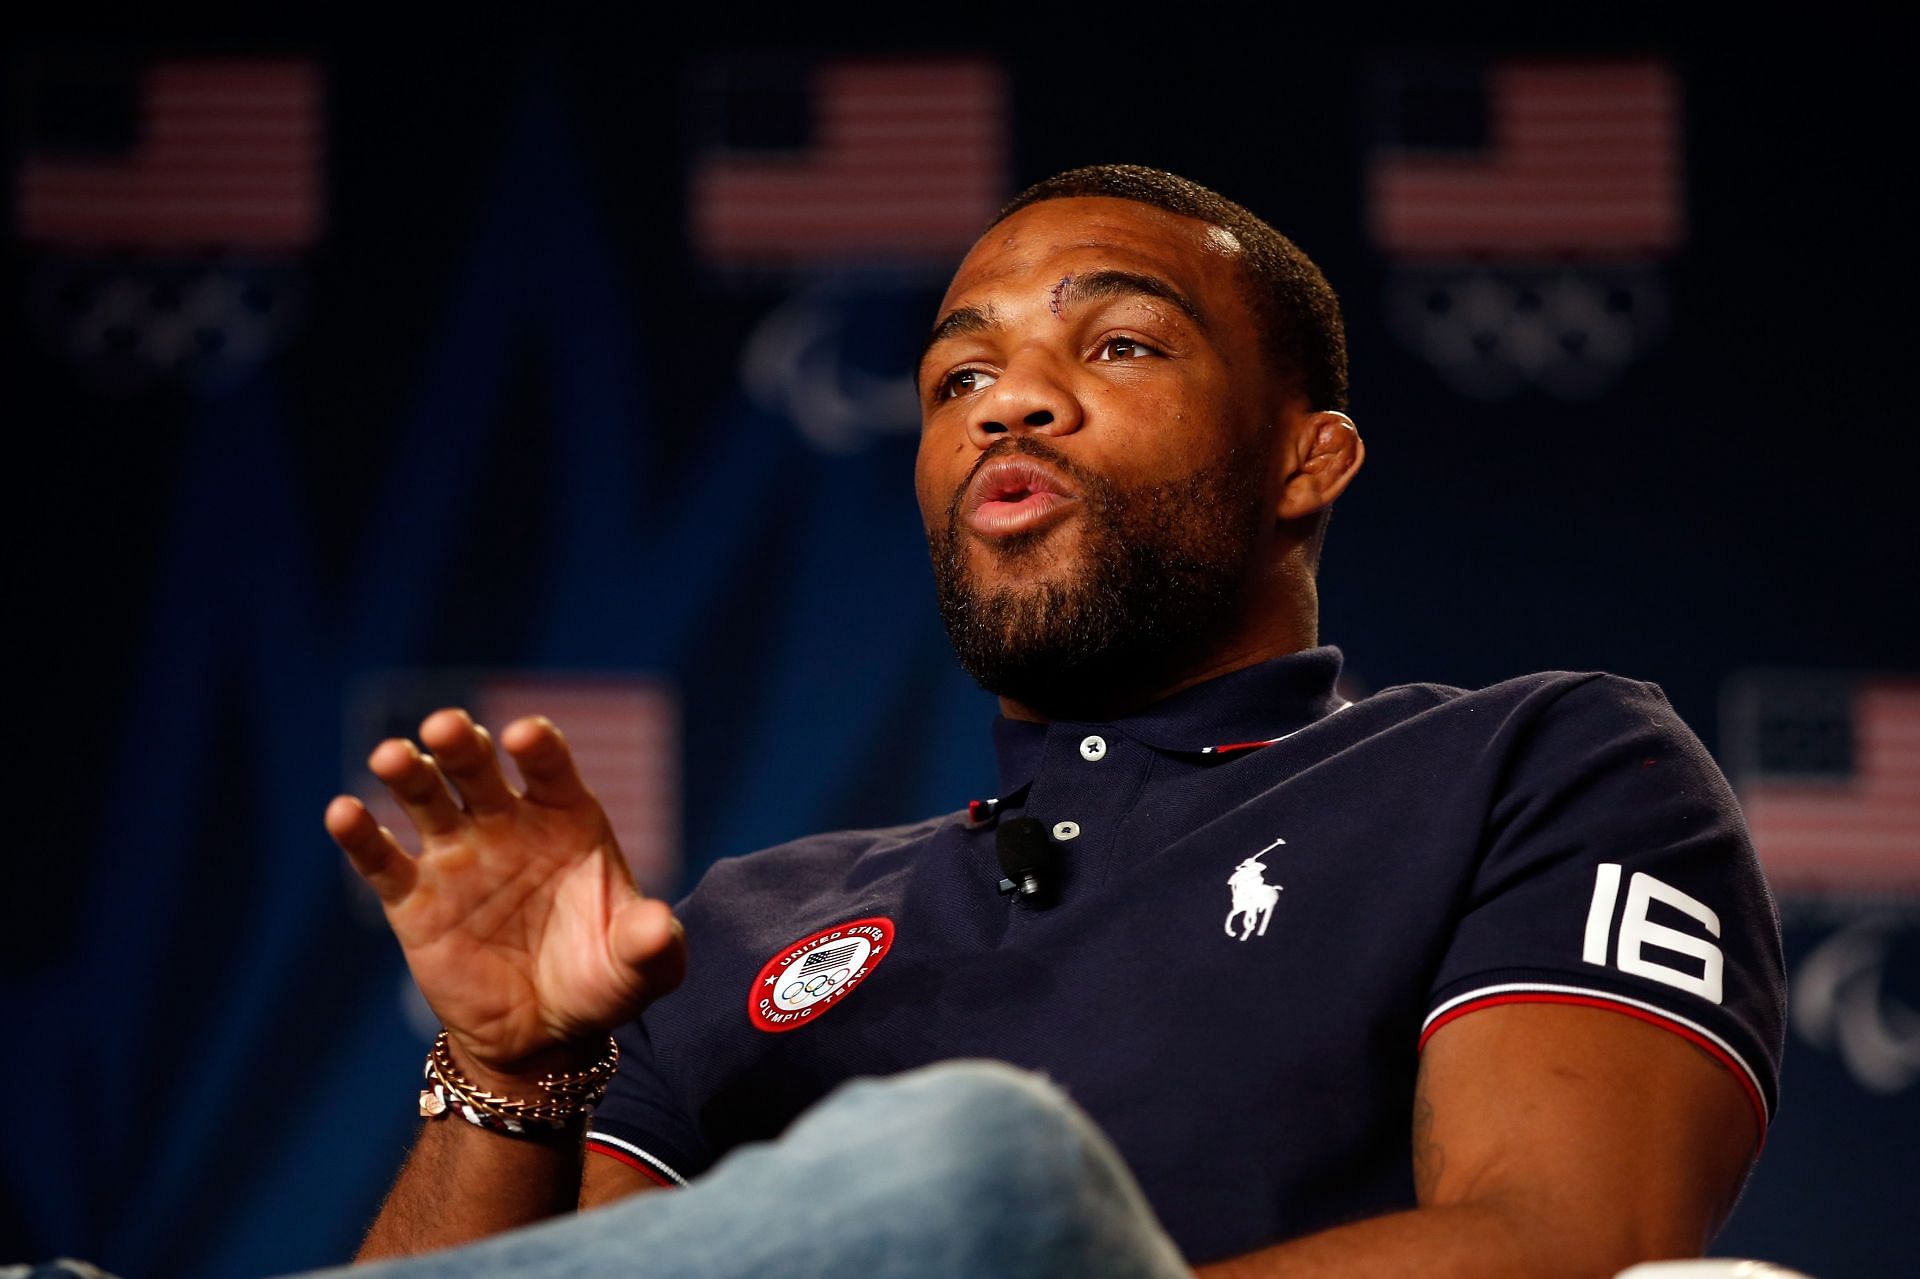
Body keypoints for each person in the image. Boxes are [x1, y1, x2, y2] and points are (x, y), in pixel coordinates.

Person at [324, 165, 1785, 1277]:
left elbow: (1569, 1244)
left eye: (1120, 347)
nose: (1010, 401)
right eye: (960, 375)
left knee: (975, 1156)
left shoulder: (1538, 763)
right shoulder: (730, 932)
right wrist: (510, 1073)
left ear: (1307, 458)